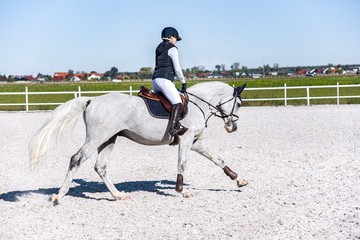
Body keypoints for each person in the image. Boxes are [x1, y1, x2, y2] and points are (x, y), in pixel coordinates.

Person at [152, 27, 187, 136]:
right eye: (176, 38)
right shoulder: (172, 48)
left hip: (155, 80)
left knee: (165, 101)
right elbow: (177, 68)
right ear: (171, 37)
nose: (176, 41)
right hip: (164, 80)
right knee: (178, 103)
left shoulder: (158, 48)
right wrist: (183, 82)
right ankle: (173, 128)